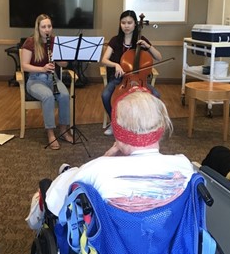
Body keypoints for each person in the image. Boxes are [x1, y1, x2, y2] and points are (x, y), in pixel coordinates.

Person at [26, 86, 195, 229]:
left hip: (111, 244)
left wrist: (105, 158)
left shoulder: (96, 171)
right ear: (162, 127)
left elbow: (54, 203)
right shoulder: (184, 166)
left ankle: (66, 170)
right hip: (162, 241)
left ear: (117, 132)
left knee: (51, 186)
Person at [101, 10, 162, 136]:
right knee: (106, 95)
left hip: (139, 80)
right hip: (119, 79)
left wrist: (148, 46)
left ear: (135, 24)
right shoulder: (115, 40)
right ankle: (114, 123)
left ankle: (145, 123)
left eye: (129, 22)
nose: (126, 25)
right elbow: (104, 60)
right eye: (123, 23)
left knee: (155, 94)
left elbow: (159, 57)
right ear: (120, 24)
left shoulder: (141, 41)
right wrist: (116, 64)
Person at [21, 14, 73, 150]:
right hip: (35, 80)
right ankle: (50, 132)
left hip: (52, 78)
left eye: (49, 26)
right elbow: (24, 66)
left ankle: (63, 130)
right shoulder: (30, 42)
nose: (47, 29)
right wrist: (42, 68)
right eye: (43, 26)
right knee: (48, 96)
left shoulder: (56, 41)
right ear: (38, 28)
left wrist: (58, 58)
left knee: (64, 96)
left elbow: (65, 64)